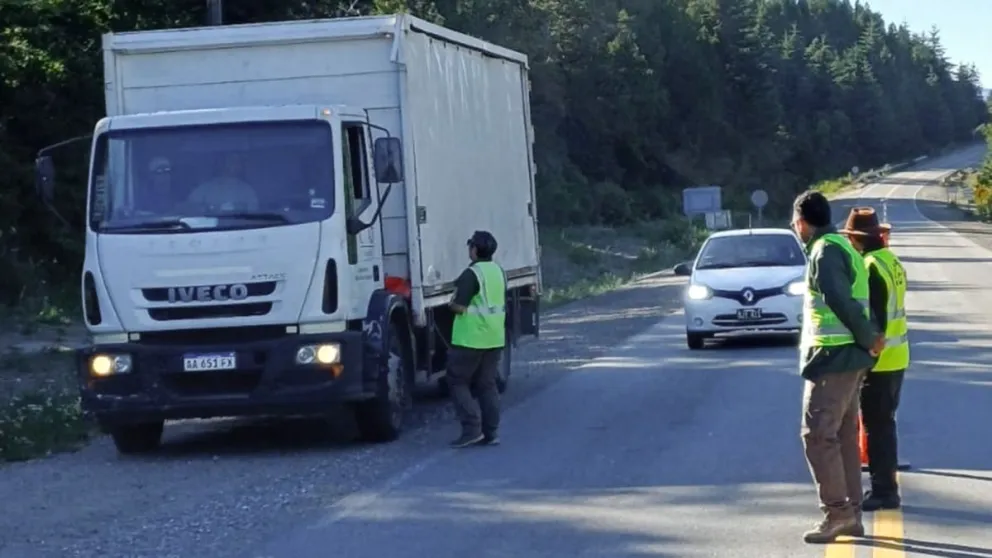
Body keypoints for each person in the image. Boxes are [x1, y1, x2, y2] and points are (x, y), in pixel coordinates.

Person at [791, 191, 886, 544]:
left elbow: (840, 300)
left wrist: (867, 338)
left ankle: (837, 513)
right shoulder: (843, 246)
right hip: (848, 359)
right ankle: (852, 514)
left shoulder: (825, 250)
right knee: (844, 436)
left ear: (802, 221)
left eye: (795, 223)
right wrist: (870, 339)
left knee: (817, 435)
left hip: (834, 358)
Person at [840, 207, 909, 512]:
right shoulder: (891, 261)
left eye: (852, 239)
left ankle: (884, 491)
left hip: (880, 359)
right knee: (885, 424)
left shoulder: (869, 267)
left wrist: (865, 352)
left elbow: (875, 318)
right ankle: (886, 486)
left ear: (858, 239)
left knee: (876, 427)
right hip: (898, 355)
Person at [447, 230, 507, 448]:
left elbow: (459, 306)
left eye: (470, 245)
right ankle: (491, 433)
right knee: (487, 385)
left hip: (470, 339)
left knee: (457, 381)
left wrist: (450, 304)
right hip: (494, 337)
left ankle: (471, 429)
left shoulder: (471, 274)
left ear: (474, 249)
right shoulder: (498, 271)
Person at [187, 152, 259, 211]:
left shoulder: (247, 190)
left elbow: (252, 212)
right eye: (231, 161)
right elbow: (191, 209)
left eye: (237, 162)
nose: (234, 165)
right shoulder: (204, 188)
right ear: (222, 164)